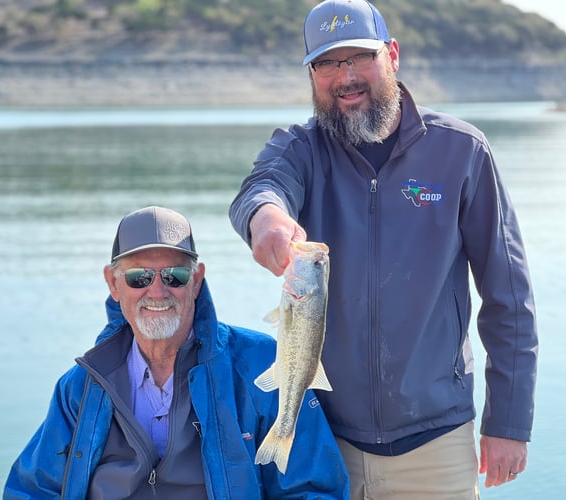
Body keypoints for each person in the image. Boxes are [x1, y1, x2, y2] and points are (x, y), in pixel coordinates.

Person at [229, 1, 539, 498]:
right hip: (324, 442)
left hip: (435, 443)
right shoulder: (300, 148)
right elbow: (261, 186)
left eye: (360, 58)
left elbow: (509, 298)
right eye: (327, 63)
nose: (345, 76)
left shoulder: (462, 153)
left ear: (392, 54)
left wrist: (509, 420)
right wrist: (264, 216)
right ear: (311, 75)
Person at [4, 205, 349, 499]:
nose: (157, 291)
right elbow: (32, 489)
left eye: (175, 275)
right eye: (139, 277)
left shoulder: (262, 364)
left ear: (196, 280)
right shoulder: (79, 387)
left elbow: (314, 487)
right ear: (113, 284)